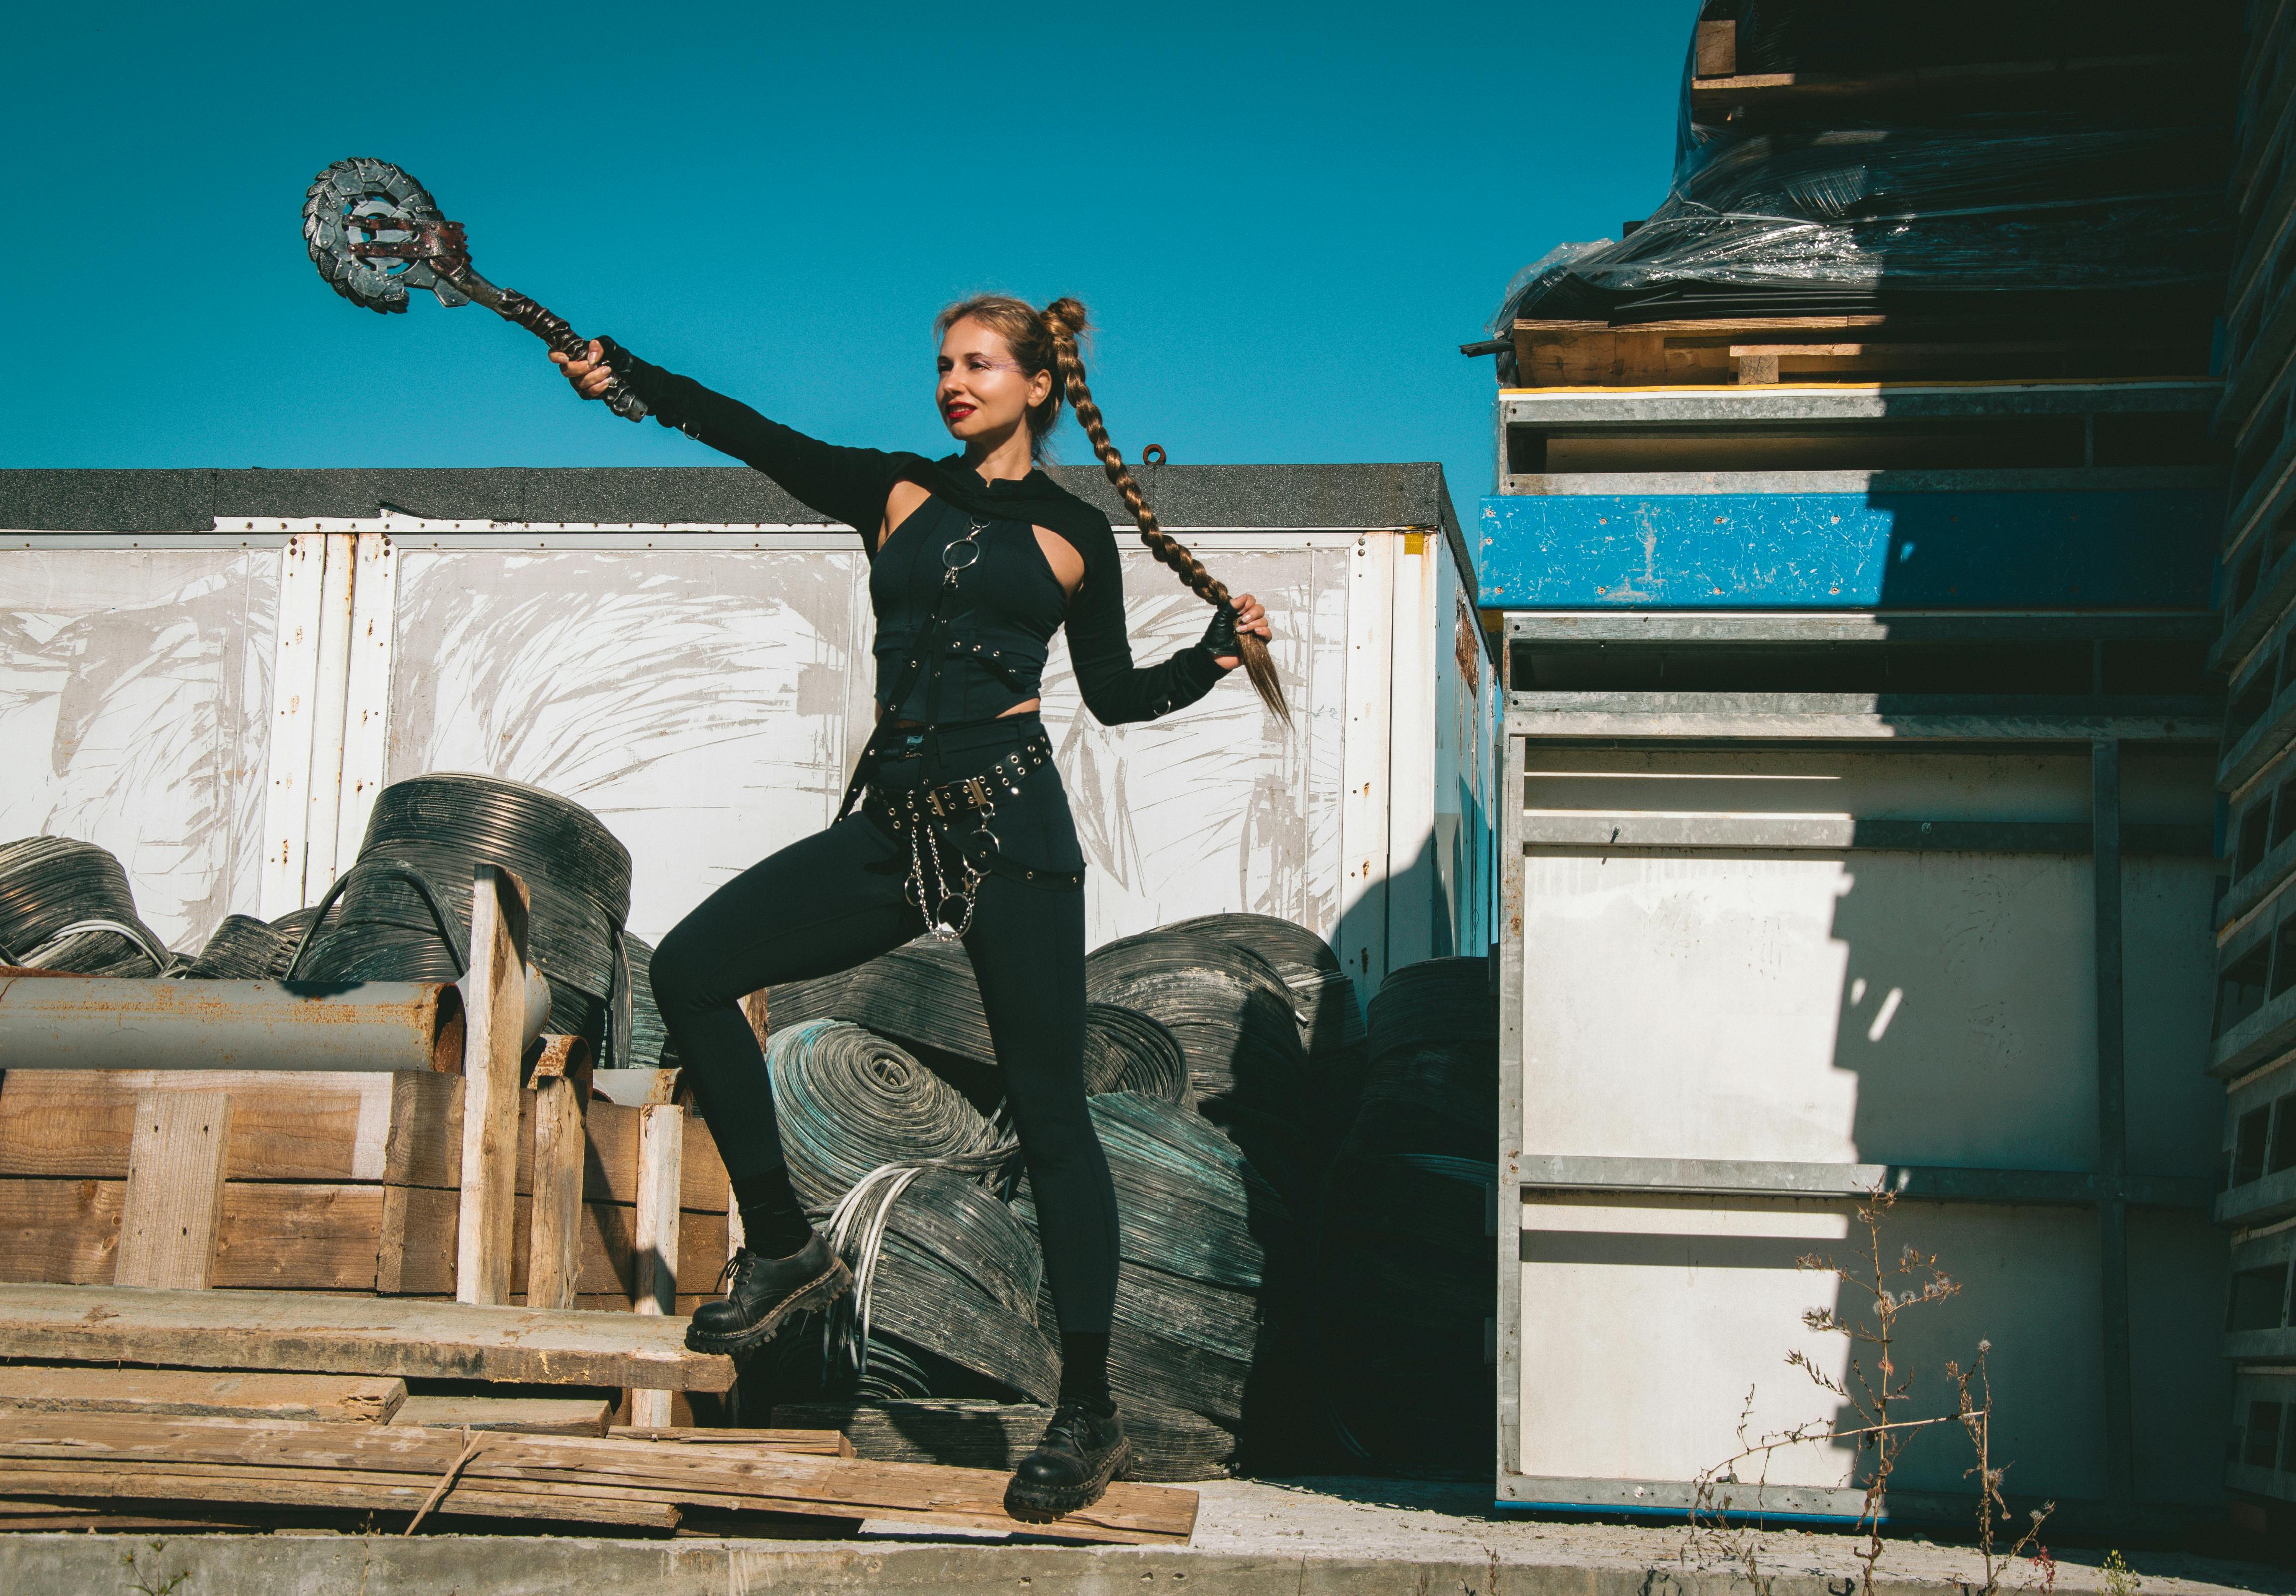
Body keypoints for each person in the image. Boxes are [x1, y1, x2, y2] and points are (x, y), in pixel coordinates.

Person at [550, 295, 1281, 1517]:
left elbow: (1108, 698)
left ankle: (1087, 1411)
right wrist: (623, 374)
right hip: (891, 828)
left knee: (1051, 1116)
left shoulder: (1072, 536)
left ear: (1038, 384)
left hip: (1012, 833)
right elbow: (748, 430)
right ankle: (787, 1248)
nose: (951, 381)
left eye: (977, 364)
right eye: (942, 364)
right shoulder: (893, 490)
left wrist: (1210, 657)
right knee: (689, 969)